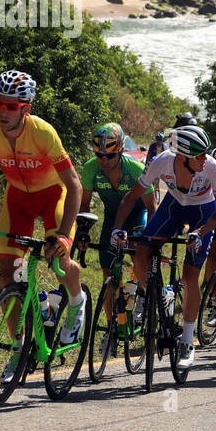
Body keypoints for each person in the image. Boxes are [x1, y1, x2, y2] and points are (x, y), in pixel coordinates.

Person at [0, 70, 86, 383]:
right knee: (7, 274)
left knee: (59, 263)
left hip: (53, 196)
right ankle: (19, 348)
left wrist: (63, 235)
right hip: (17, 199)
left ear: (26, 107)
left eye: (11, 106)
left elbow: (74, 185)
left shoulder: (43, 133)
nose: (3, 111)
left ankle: (77, 301)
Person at [110, 124, 216, 369]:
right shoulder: (162, 162)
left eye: (205, 153)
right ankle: (158, 299)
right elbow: (131, 197)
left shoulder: (212, 168)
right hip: (172, 207)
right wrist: (117, 228)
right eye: (199, 155)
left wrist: (200, 232)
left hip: (203, 212)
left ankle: (187, 339)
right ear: (182, 157)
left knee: (189, 276)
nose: (204, 159)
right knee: (141, 254)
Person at [80, 123, 157, 324]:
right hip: (112, 216)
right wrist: (83, 233)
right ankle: (113, 326)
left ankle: (146, 295)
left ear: (121, 151)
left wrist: (151, 240)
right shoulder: (90, 168)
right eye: (99, 155)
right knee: (108, 273)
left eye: (110, 156)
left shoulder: (136, 169)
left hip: (138, 213)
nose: (103, 160)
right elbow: (84, 204)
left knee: (137, 253)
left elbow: (151, 207)